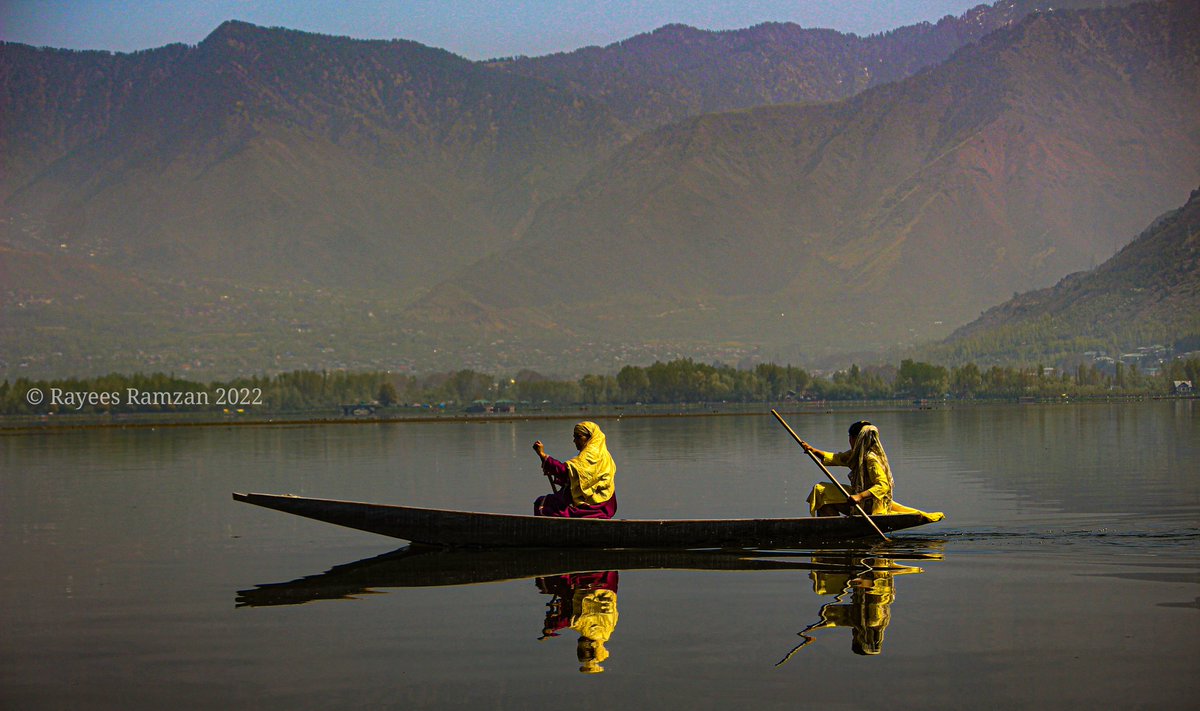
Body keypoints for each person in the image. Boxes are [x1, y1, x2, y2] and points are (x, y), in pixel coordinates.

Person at [799, 420, 894, 517]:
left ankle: (835, 529)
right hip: (860, 499)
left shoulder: (870, 458)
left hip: (870, 505)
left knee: (822, 492)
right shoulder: (856, 454)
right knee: (821, 491)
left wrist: (859, 496)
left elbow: (883, 486)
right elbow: (837, 458)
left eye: (850, 437)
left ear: (857, 439)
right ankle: (835, 528)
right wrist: (813, 450)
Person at [532, 421, 617, 519]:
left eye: (578, 437)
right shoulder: (606, 455)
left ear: (590, 438)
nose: (574, 441)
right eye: (574, 437)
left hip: (589, 507)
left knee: (542, 503)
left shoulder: (589, 455)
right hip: (606, 507)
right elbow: (579, 478)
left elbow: (565, 472)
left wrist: (543, 456)